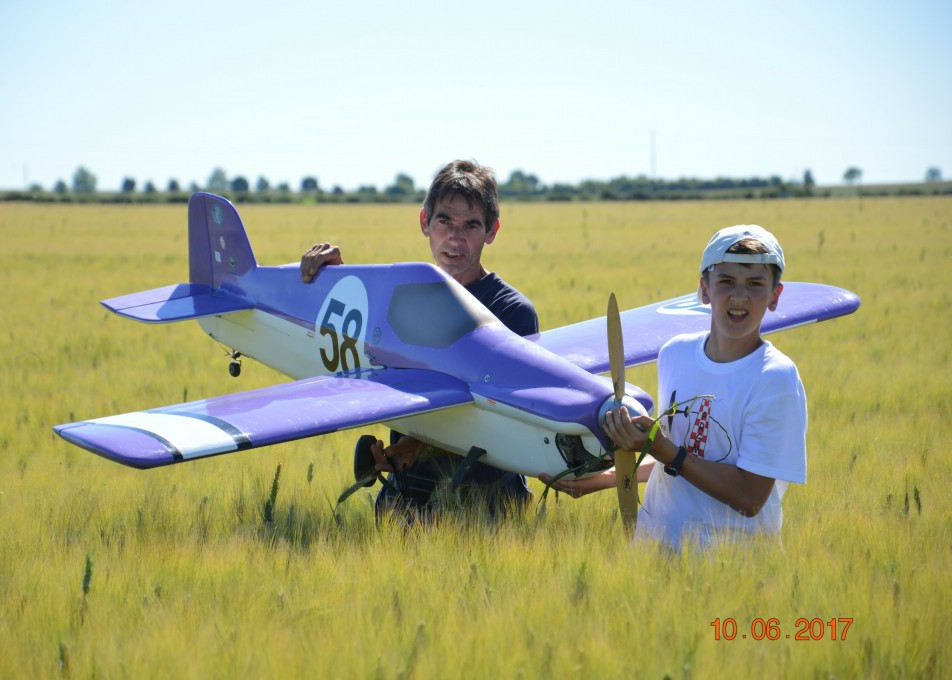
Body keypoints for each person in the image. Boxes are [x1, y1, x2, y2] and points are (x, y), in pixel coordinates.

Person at [542, 224, 807, 550]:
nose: (739, 296)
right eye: (726, 281)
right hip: (655, 552)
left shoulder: (775, 378)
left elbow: (750, 496)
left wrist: (661, 446)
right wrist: (605, 478)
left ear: (775, 296)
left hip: (734, 566)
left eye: (755, 284)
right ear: (704, 289)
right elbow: (683, 451)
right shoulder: (675, 354)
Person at [300, 159, 539, 518]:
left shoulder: (512, 312)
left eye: (471, 225)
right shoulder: (402, 300)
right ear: (425, 222)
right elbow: (355, 335)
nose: (455, 237)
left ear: (492, 231)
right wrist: (332, 278)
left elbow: (508, 419)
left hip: (487, 504)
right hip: (406, 500)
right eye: (444, 220)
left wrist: (417, 446)